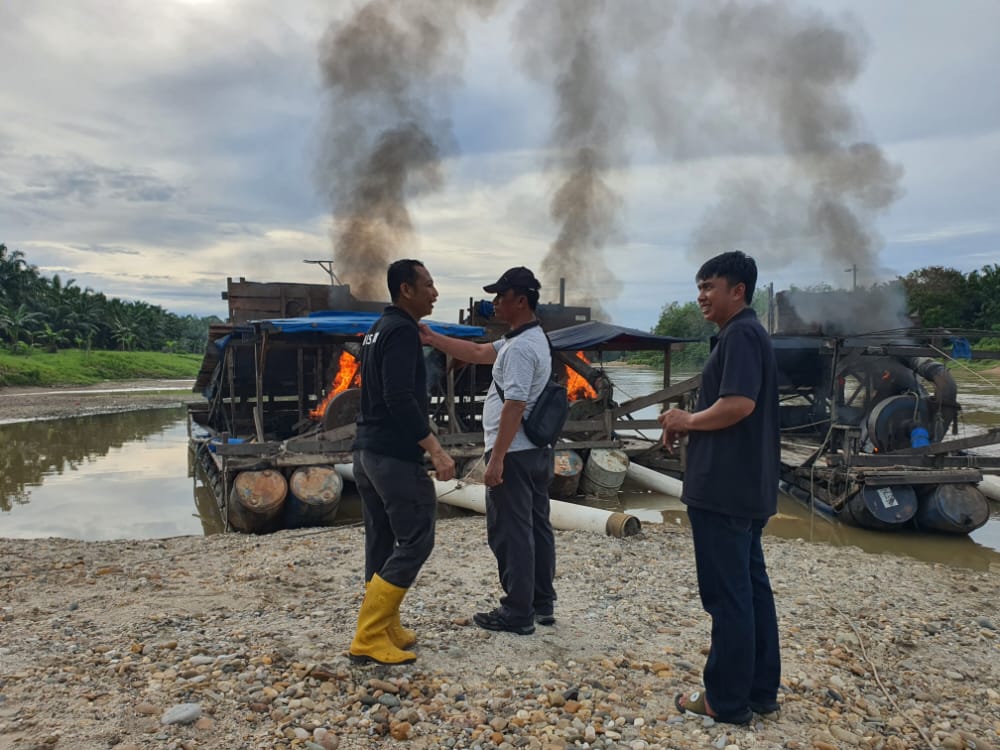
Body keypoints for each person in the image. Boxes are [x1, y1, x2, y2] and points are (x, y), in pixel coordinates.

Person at [658, 250, 781, 724]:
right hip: (746, 485)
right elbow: (731, 411)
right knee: (750, 590)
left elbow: (738, 405)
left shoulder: (742, 335)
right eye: (700, 286)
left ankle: (725, 701)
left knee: (728, 595)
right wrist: (689, 423)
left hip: (725, 488)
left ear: (738, 291)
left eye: (711, 286)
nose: (702, 295)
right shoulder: (744, 334)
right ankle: (759, 690)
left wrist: (688, 417)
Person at [419, 266, 555, 635]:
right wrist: (434, 338)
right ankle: (541, 602)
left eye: (501, 296)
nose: (494, 303)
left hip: (515, 453)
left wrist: (495, 460)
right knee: (537, 527)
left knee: (511, 532)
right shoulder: (523, 338)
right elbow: (479, 351)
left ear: (520, 301)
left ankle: (517, 612)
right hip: (534, 452)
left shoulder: (522, 348)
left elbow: (514, 404)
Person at [348, 258, 456, 665]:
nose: (435, 292)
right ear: (406, 290)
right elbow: (398, 397)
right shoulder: (402, 331)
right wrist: (435, 448)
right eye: (428, 285)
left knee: (380, 539)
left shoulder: (377, 329)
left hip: (366, 452)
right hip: (393, 455)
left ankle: (385, 624)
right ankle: (370, 635)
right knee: (416, 538)